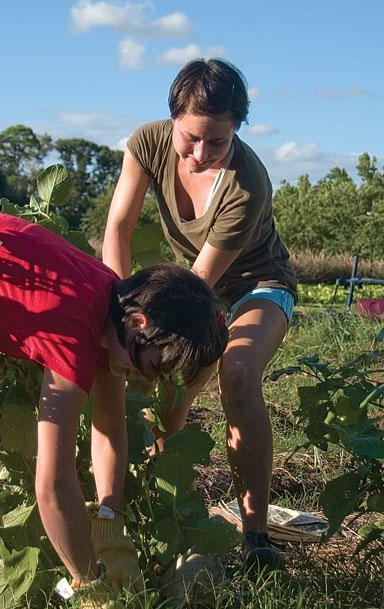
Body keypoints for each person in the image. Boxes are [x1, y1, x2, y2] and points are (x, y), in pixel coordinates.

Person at [0, 209, 228, 609]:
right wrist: (89, 582)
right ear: (137, 322)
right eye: (150, 366)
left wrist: (109, 521)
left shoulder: (111, 306)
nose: (144, 381)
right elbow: (52, 485)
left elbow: (110, 429)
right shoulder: (74, 331)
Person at [102, 58, 297, 571]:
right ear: (172, 120)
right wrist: (118, 312)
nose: (201, 153)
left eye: (218, 141)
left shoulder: (248, 184)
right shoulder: (147, 144)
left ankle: (255, 535)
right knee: (148, 375)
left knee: (234, 373)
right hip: (186, 282)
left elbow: (197, 287)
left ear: (237, 128)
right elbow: (119, 228)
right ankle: (162, 509)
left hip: (254, 285)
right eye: (190, 138)